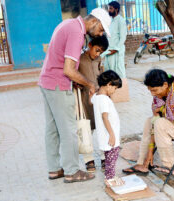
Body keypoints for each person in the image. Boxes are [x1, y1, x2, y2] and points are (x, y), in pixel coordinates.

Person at [38, 8, 111, 183]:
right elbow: (69, 70)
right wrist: (89, 83)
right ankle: (72, 171)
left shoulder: (68, 24)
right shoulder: (77, 32)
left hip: (47, 81)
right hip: (58, 84)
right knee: (69, 130)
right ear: (94, 21)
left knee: (52, 129)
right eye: (101, 30)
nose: (99, 34)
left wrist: (78, 80)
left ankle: (54, 169)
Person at [76, 35, 109, 172]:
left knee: (102, 127)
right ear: (90, 45)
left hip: (99, 99)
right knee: (86, 129)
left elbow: (102, 76)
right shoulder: (79, 59)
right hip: (83, 99)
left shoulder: (99, 60)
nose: (97, 54)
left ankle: (103, 156)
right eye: (96, 50)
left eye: (100, 52)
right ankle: (88, 159)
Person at [91, 70, 124, 187]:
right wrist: (112, 134)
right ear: (109, 84)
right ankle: (109, 178)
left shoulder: (97, 96)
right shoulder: (104, 99)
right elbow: (105, 117)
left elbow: (92, 98)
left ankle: (110, 175)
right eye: (115, 88)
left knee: (109, 157)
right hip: (109, 135)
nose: (114, 91)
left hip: (104, 135)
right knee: (112, 157)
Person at [102, 1, 127, 79]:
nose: (109, 10)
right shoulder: (110, 21)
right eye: (109, 8)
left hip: (116, 51)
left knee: (119, 72)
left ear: (116, 9)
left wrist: (115, 49)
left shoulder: (121, 21)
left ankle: (122, 89)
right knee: (109, 71)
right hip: (109, 51)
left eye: (111, 8)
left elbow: (123, 38)